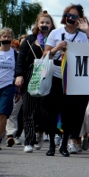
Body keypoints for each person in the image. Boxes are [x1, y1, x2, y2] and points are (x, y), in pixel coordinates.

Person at [44, 4, 89, 156]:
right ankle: (51, 144)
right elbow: (45, 54)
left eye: (74, 17)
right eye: (69, 16)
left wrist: (87, 32)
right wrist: (56, 48)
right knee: (51, 111)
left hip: (71, 77)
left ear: (79, 19)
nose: (71, 19)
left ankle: (64, 144)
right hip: (55, 74)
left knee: (69, 113)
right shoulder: (55, 32)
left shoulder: (82, 36)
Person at [14, 10, 56, 153]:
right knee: (29, 109)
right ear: (37, 24)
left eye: (47, 22)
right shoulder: (29, 40)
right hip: (31, 76)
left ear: (51, 25)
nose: (44, 25)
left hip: (49, 76)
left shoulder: (54, 39)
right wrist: (19, 75)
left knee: (44, 110)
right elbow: (21, 59)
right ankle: (29, 140)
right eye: (42, 22)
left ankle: (40, 132)